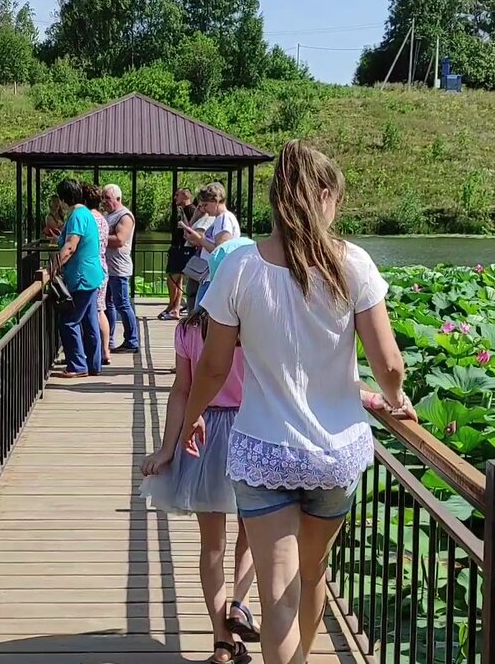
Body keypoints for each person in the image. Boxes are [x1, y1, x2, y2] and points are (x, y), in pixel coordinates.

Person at [179, 140, 416, 664]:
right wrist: (396, 399)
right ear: (325, 195)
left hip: (265, 452)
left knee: (274, 594)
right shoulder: (352, 264)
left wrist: (190, 420)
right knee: (312, 579)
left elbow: (215, 367)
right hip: (335, 456)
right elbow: (389, 365)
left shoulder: (240, 267)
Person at [140, 248, 259, 663]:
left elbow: (181, 391)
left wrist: (167, 448)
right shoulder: (259, 324)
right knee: (255, 535)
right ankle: (240, 603)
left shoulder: (190, 327)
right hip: (255, 430)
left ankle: (222, 642)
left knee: (212, 545)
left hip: (202, 430)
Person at [51, 179, 105, 379]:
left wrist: (52, 267)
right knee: (90, 321)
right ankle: (93, 363)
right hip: (92, 276)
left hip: (82, 277)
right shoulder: (87, 214)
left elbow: (71, 246)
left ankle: (77, 365)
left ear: (64, 199)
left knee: (69, 322)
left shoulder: (76, 216)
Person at [182, 182, 240, 310]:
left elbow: (220, 251)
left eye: (206, 205)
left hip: (214, 278)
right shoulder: (221, 218)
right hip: (210, 277)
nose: (204, 209)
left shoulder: (224, 219)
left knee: (200, 316)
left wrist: (200, 239)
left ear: (216, 201)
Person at [102, 184, 139, 354]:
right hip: (107, 269)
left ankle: (132, 340)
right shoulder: (107, 215)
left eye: (107, 198)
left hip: (119, 269)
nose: (104, 202)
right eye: (103, 198)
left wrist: (98, 237)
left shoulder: (125, 216)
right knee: (107, 304)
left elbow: (119, 240)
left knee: (123, 304)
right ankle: (108, 339)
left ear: (118, 198)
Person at [83, 183, 113, 366]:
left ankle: (96, 352)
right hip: (102, 265)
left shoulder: (88, 218)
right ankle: (105, 350)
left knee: (95, 310)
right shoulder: (102, 218)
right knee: (101, 309)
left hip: (92, 267)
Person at [161, 188, 198, 320]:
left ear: (185, 196)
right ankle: (175, 308)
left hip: (183, 250)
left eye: (177, 195)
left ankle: (172, 306)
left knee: (172, 279)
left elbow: (192, 231)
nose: (175, 197)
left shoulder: (192, 211)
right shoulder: (181, 211)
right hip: (177, 248)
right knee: (178, 279)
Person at [183, 201, 213, 314]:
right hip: (200, 262)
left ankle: (194, 319)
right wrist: (195, 215)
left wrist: (191, 237)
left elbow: (195, 238)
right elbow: (188, 232)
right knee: (191, 290)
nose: (200, 208)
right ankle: (191, 316)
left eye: (203, 205)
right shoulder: (201, 219)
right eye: (199, 206)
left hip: (205, 265)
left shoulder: (210, 220)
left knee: (193, 291)